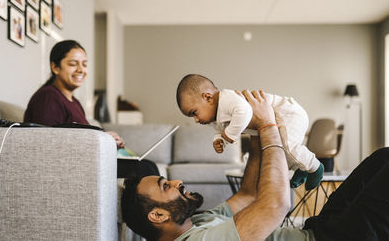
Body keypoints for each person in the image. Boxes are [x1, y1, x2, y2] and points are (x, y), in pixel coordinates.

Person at [121, 90, 389, 241]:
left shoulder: (197, 223)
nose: (177, 182)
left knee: (382, 158)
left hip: (318, 231)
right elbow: (275, 205)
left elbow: (248, 194)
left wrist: (255, 131)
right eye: (165, 186)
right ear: (158, 216)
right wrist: (268, 126)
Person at [24, 40, 159, 177]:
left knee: (148, 165)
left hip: (86, 160)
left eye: (84, 64)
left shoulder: (75, 102)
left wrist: (107, 142)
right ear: (55, 68)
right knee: (144, 169)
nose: (81, 70)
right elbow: (47, 144)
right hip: (73, 165)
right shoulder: (48, 97)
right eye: (72, 64)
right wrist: (103, 140)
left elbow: (82, 138)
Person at [176, 74, 323, 190]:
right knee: (281, 152)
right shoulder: (216, 119)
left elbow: (244, 112)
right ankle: (301, 168)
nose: (195, 120)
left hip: (287, 113)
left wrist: (229, 135)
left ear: (207, 97)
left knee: (289, 147)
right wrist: (218, 140)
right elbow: (220, 132)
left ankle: (315, 166)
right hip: (276, 119)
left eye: (194, 113)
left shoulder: (226, 99)